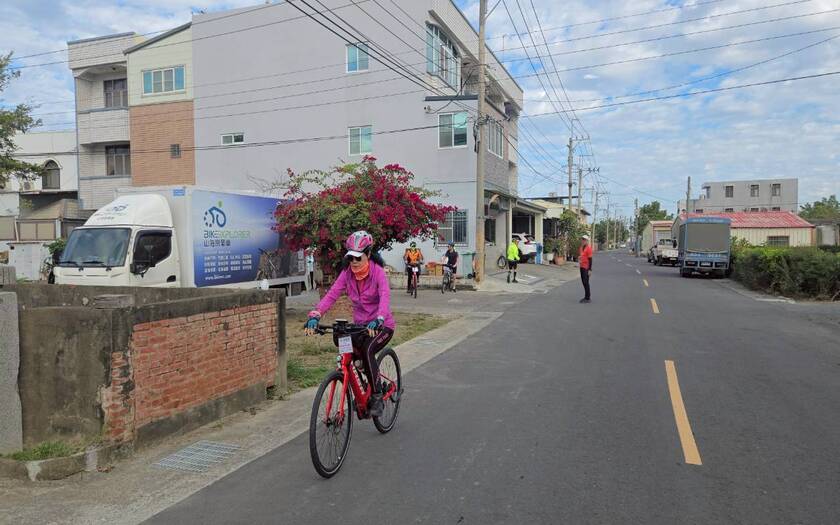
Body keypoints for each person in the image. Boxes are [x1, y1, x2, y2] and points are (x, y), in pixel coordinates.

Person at [304, 231, 395, 417]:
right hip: (361, 325)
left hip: (382, 325)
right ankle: (360, 387)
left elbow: (385, 297)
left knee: (368, 350)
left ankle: (377, 395)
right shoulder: (347, 274)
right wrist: (316, 314)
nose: (354, 262)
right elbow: (332, 294)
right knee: (345, 346)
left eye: (358, 257)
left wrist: (379, 318)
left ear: (368, 254)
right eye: (350, 257)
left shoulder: (377, 272)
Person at [579, 234, 593, 303]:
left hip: (586, 267)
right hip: (581, 266)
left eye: (584, 240)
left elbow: (590, 259)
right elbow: (581, 256)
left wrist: (590, 269)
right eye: (582, 239)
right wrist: (580, 258)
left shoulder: (589, 248)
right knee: (583, 282)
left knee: (586, 282)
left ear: (587, 241)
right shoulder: (581, 248)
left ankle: (588, 298)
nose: (583, 241)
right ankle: (586, 297)